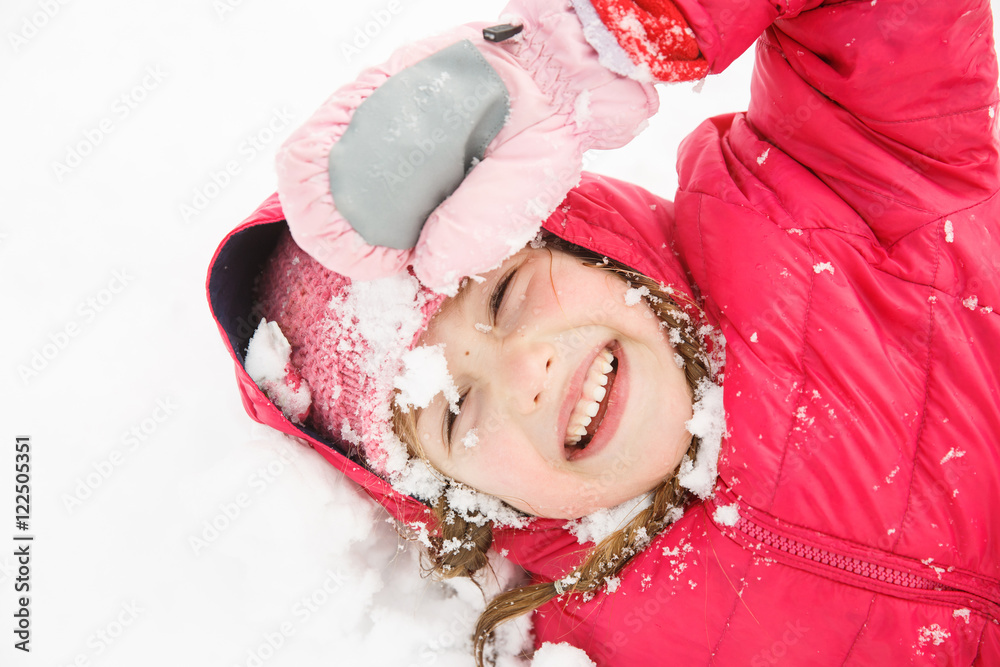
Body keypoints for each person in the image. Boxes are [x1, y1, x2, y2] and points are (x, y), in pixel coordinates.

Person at [207, 0, 1000, 663]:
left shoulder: (826, 191)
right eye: (454, 410)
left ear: (587, 243)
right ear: (460, 498)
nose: (528, 373)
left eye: (509, 292)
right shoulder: (589, 642)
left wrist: (585, 43)